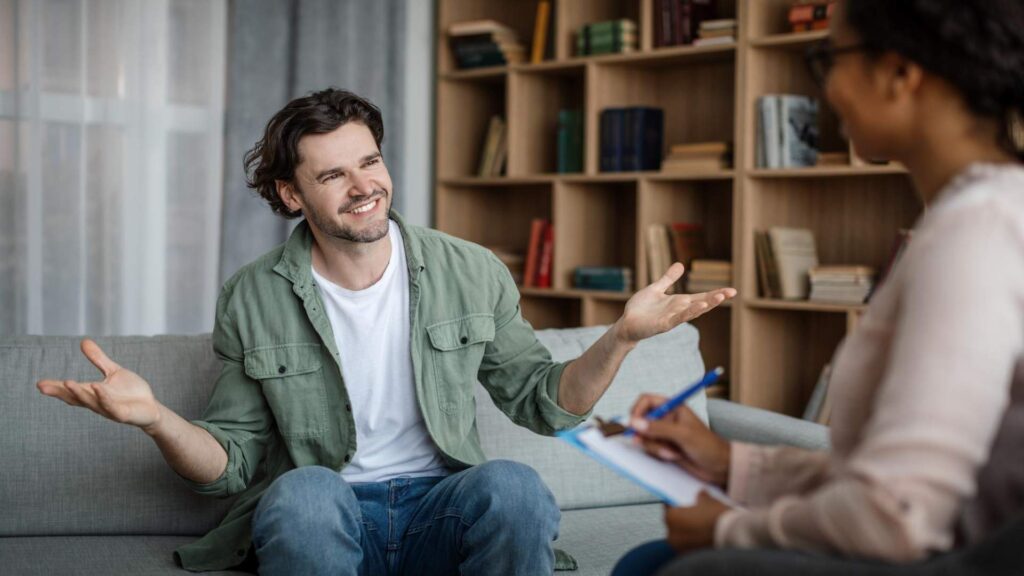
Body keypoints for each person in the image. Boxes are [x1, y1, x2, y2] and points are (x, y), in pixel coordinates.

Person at [36, 88, 735, 575]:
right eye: (333, 174)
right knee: (302, 493)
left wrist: (620, 337)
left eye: (369, 161)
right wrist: (158, 418)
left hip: (441, 512)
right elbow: (232, 467)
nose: (363, 185)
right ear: (291, 194)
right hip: (331, 516)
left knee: (515, 487)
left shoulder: (470, 270)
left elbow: (545, 404)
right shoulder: (253, 296)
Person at [613, 1, 1024, 574]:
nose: (826, 87)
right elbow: (888, 474)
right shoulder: (977, 216)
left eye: (830, 57)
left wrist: (729, 527)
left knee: (671, 566)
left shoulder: (975, 233)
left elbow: (896, 512)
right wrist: (732, 462)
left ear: (901, 73)